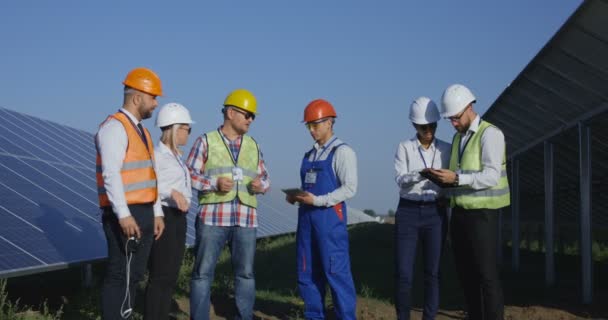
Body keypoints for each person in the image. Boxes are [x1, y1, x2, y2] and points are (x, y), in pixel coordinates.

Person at [426, 84, 510, 320]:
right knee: (466, 275)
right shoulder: (457, 138)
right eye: (450, 119)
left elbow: (492, 176)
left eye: (456, 117)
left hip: (483, 215)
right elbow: (458, 175)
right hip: (460, 214)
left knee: (487, 276)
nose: (453, 123)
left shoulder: (490, 134)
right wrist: (443, 184)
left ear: (470, 107)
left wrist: (457, 178)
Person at [187, 89, 270, 320]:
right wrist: (212, 183)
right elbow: (189, 175)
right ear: (231, 113)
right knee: (203, 274)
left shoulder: (253, 145)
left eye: (253, 116)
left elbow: (266, 178)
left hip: (245, 220)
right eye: (247, 114)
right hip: (213, 219)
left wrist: (260, 185)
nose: (251, 119)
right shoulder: (205, 141)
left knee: (245, 274)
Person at [96, 67, 165, 320]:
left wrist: (156, 212)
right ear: (137, 97)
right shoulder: (114, 128)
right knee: (119, 274)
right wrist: (124, 215)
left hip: (144, 212)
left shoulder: (144, 132)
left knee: (134, 275)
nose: (156, 104)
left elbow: (151, 176)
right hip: (125, 214)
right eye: (153, 97)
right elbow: (111, 174)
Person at [285, 99, 357, 320]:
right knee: (308, 272)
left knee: (336, 273)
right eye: (309, 126)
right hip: (306, 221)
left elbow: (350, 188)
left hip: (329, 221)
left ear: (329, 122)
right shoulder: (309, 155)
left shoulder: (342, 152)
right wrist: (295, 197)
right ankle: (314, 316)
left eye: (315, 125)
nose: (312, 130)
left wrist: (317, 200)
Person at [393, 97, 450, 320]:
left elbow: (451, 181)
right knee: (404, 273)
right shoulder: (404, 147)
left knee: (433, 273)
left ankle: (429, 317)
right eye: (424, 127)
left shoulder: (446, 149)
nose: (428, 130)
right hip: (408, 210)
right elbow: (400, 179)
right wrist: (420, 174)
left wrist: (444, 188)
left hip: (435, 212)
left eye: (432, 126)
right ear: (415, 126)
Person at [144, 103, 195, 320]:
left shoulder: (177, 158)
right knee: (160, 275)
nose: (188, 133)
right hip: (163, 216)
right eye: (186, 128)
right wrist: (171, 192)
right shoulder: (157, 155)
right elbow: (149, 183)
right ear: (174, 128)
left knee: (170, 276)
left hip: (178, 218)